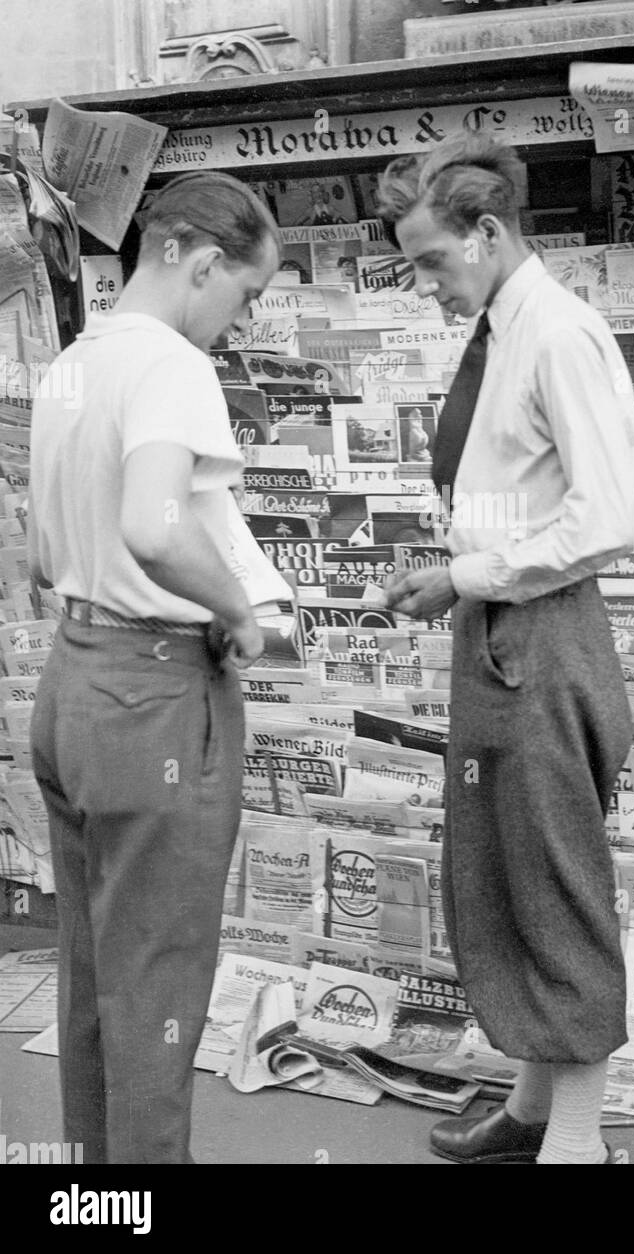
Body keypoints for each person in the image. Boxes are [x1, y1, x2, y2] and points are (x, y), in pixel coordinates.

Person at [377, 133, 634, 1165]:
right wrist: (455, 569)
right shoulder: (504, 329)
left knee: (556, 877)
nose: (425, 285)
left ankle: (574, 1145)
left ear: (488, 234)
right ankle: (533, 1111)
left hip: (540, 633)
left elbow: (606, 518)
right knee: (505, 872)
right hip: (496, 629)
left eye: (434, 260)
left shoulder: (561, 334)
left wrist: (468, 577)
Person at [27, 171, 281, 1164]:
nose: (240, 317)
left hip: (75, 686)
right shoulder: (173, 367)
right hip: (156, 698)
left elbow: (50, 555)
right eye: (245, 293)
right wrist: (237, 609)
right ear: (200, 260)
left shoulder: (74, 366)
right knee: (162, 988)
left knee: (96, 981)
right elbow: (153, 525)